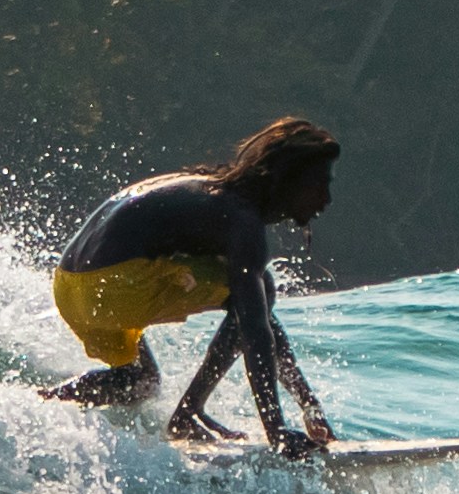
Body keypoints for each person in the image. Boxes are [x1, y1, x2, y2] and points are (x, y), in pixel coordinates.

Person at [41, 117, 341, 453]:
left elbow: (263, 324)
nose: (326, 199)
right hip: (113, 287)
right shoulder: (242, 221)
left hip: (70, 289)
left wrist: (309, 406)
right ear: (291, 181)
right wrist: (278, 430)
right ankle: (188, 414)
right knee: (262, 291)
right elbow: (256, 331)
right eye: (320, 184)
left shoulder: (212, 193)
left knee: (140, 382)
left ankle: (38, 404)